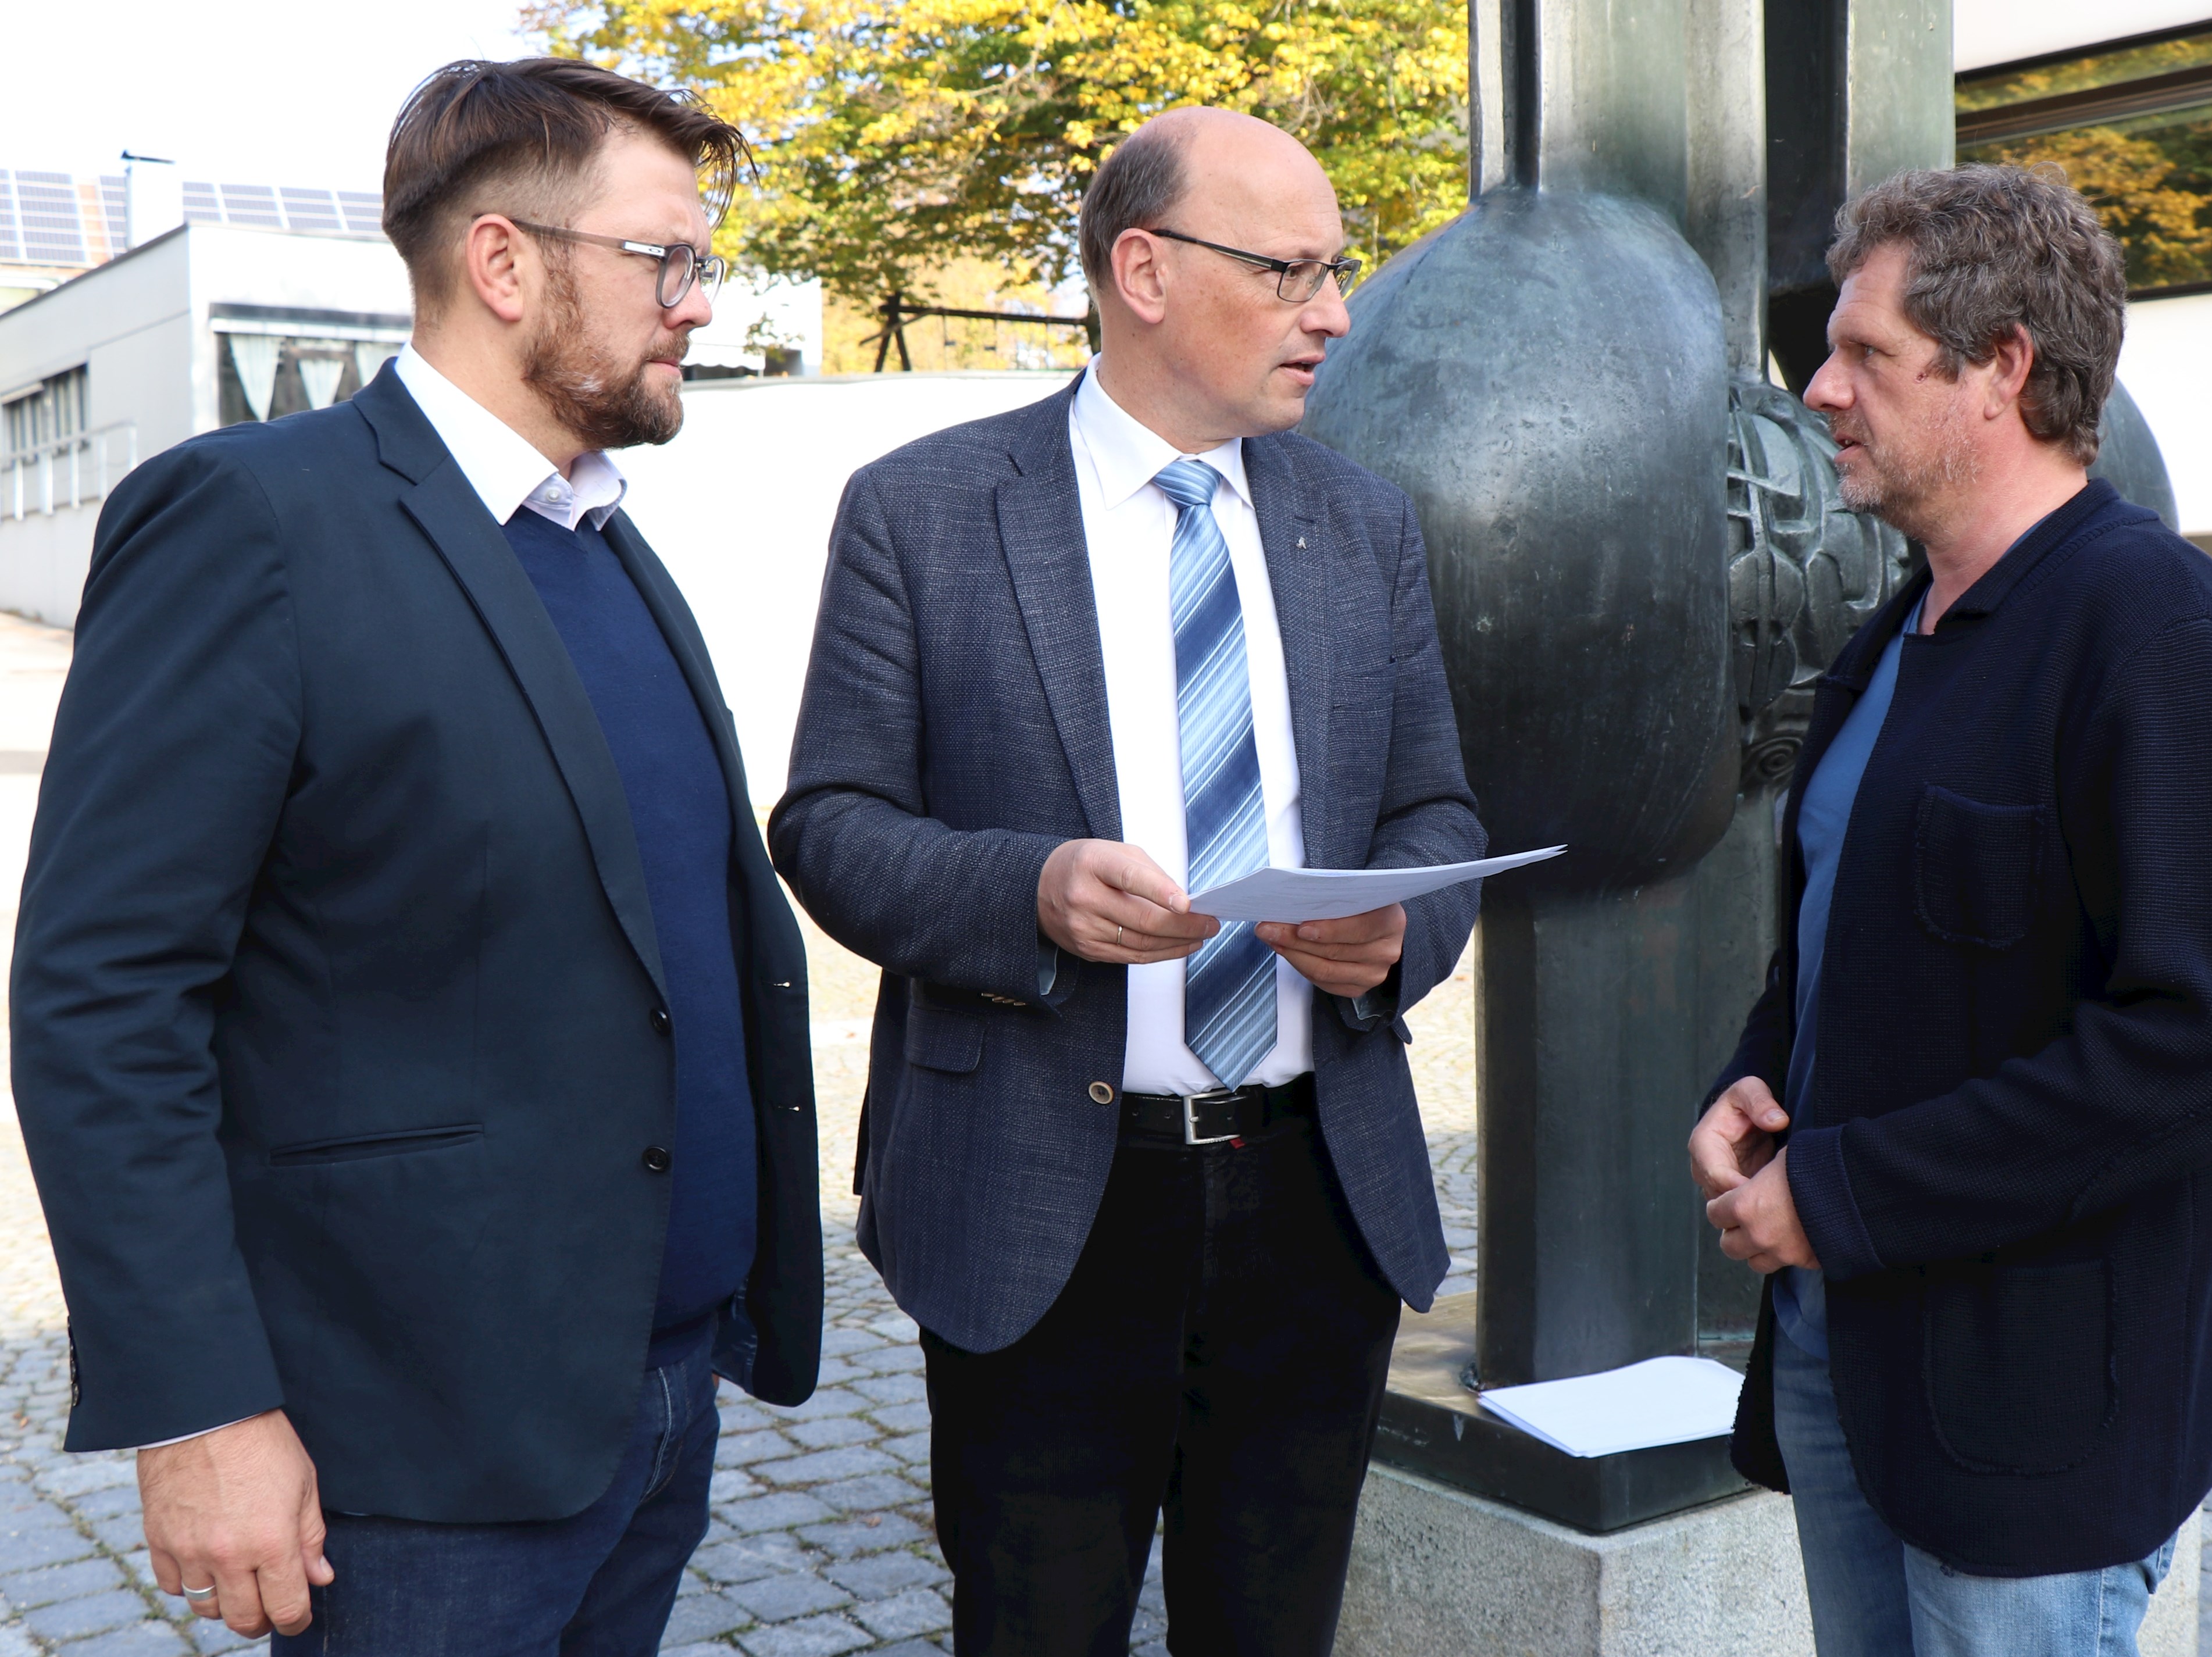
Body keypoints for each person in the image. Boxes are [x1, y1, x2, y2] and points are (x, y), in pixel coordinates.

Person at [10, 58, 823, 1653]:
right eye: (668, 259)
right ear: (505, 262)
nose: (699, 308)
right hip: (408, 1457)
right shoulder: (254, 521)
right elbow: (106, 997)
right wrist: (202, 1411)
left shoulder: (604, 541)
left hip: (648, 1401)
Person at [772, 107, 1483, 1656]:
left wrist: (1399, 925)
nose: (1337, 314)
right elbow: (826, 823)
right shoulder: (925, 511)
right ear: (1142, 270)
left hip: (1317, 1194)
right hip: (1042, 1199)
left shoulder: (1363, 523)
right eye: (1293, 270)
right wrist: (1027, 890)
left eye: (1338, 272)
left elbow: (1434, 807)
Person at [1687, 163, 2212, 1655]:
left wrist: (1839, 1195)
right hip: (1850, 1354)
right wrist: (1752, 1076)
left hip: (2037, 1413)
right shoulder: (1891, 633)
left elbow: (2202, 1048)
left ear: (2004, 371)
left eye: (1862, 356)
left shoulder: (2156, 635)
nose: (1819, 393)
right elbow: (1843, 934)